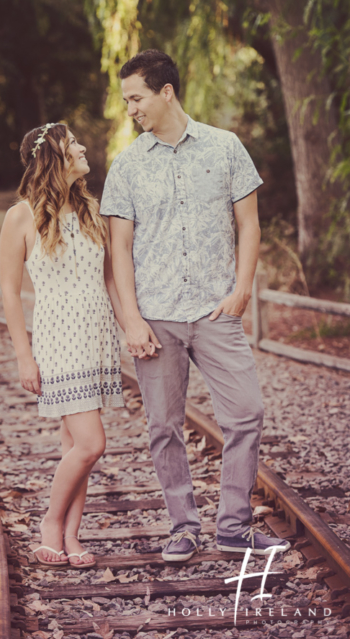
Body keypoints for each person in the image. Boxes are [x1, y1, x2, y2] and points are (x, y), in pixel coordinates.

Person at [100, 49, 291, 560]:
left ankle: (232, 525)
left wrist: (241, 290)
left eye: (136, 97)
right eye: (126, 100)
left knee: (247, 413)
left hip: (215, 310)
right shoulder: (127, 165)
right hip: (156, 317)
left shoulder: (226, 147)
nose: (130, 109)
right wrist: (132, 320)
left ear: (166, 92)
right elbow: (118, 247)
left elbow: (249, 225)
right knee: (164, 427)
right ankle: (183, 525)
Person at [0, 122, 124, 568]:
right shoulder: (21, 216)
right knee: (92, 444)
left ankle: (72, 537)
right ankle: (51, 524)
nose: (83, 147)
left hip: (96, 340)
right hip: (58, 343)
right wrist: (23, 356)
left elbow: (109, 278)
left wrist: (129, 328)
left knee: (76, 445)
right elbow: (10, 293)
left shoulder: (91, 209)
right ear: (54, 156)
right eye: (73, 144)